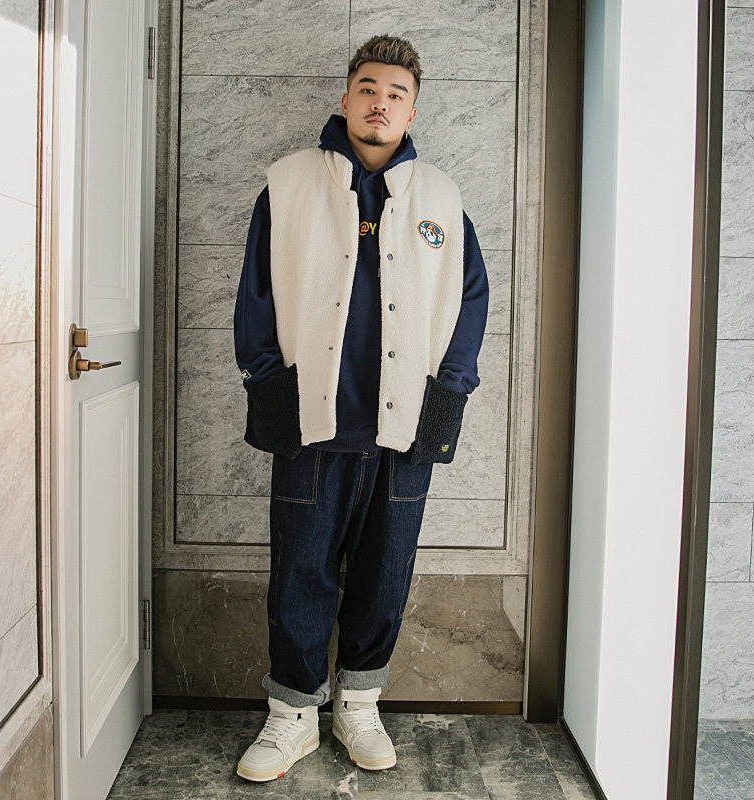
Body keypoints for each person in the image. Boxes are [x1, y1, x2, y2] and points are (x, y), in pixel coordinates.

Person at [232, 34, 489, 783]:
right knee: (300, 572)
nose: (381, 103)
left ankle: (359, 705)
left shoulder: (441, 198)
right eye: (369, 89)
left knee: (385, 574)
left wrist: (450, 393)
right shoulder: (288, 185)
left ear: (413, 111)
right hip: (312, 423)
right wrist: (268, 384)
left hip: (407, 427)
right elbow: (255, 296)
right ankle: (291, 716)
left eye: (396, 94)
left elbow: (470, 301)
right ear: (346, 99)